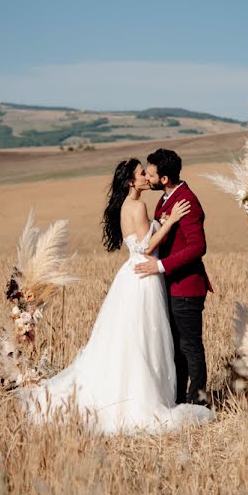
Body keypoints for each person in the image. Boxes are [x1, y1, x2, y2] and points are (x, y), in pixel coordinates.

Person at [16, 158, 215, 435]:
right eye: (142, 173)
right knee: (142, 338)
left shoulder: (127, 206)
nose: (147, 176)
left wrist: (163, 222)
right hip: (144, 276)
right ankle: (143, 397)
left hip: (132, 276)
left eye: (148, 172)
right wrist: (169, 224)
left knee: (131, 338)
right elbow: (145, 246)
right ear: (131, 182)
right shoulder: (139, 205)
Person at [134, 148, 213, 405]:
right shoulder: (166, 199)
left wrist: (161, 266)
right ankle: (178, 401)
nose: (147, 176)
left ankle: (198, 402)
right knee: (176, 350)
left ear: (164, 178)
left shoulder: (187, 201)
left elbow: (197, 246)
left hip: (187, 287)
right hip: (170, 286)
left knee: (190, 348)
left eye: (151, 173)